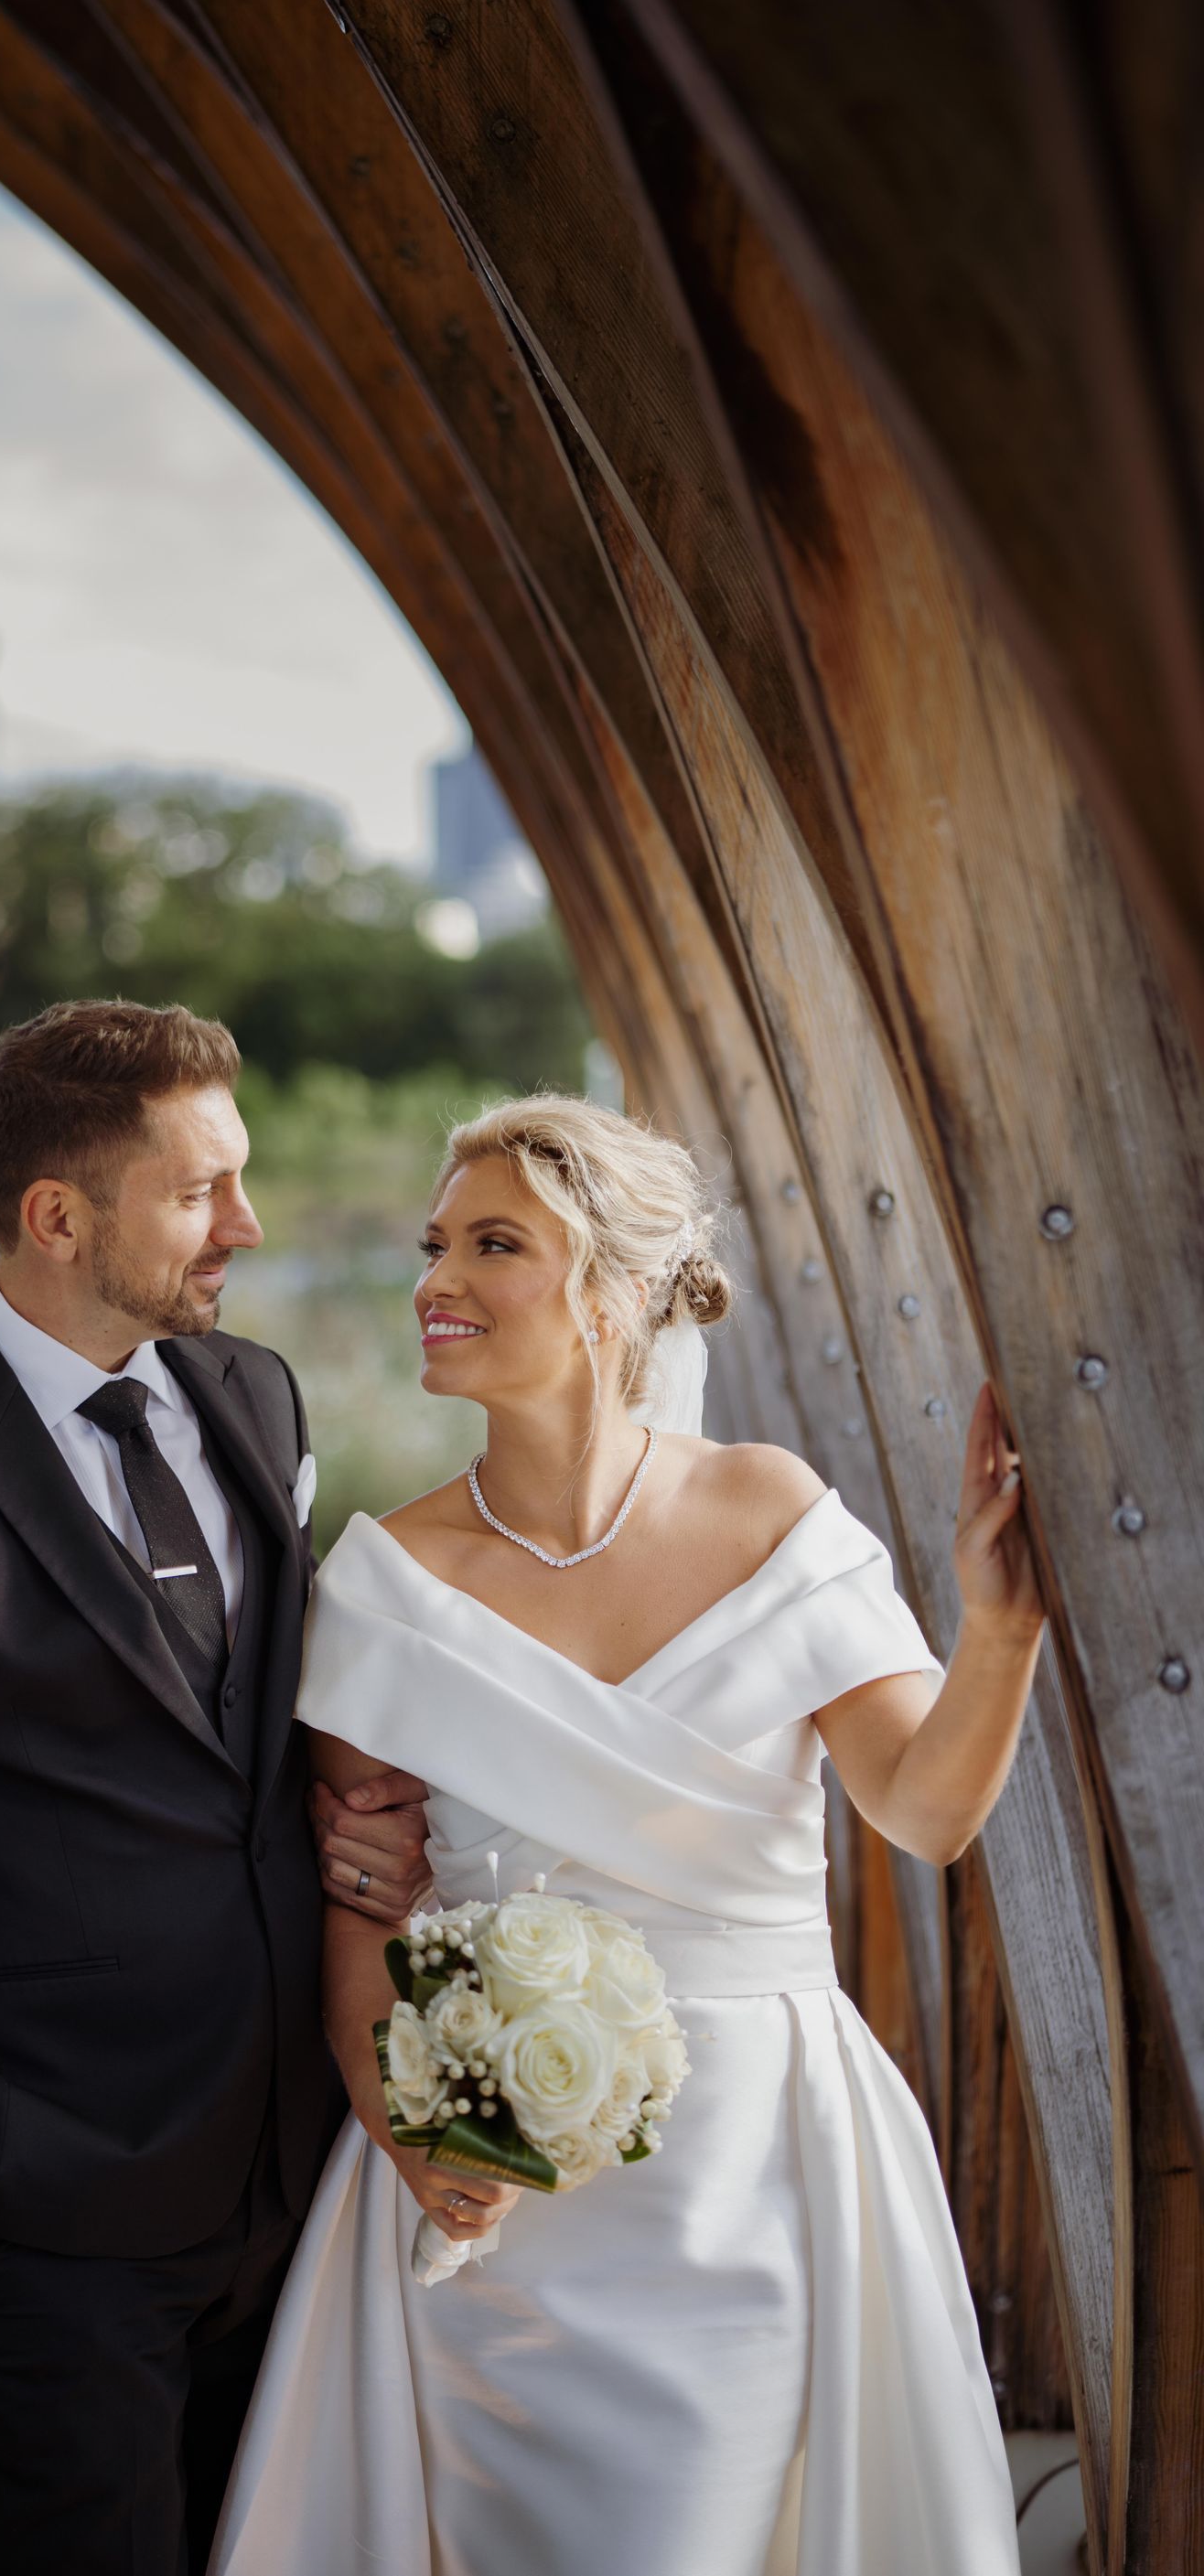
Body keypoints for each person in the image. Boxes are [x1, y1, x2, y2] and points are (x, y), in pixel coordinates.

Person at [214, 1094, 1038, 2576]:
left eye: (494, 1243)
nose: (435, 1279)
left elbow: (925, 1808)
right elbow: (365, 1921)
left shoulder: (770, 1510)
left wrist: (1002, 1628)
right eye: (433, 1242)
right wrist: (409, 2132)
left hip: (759, 2177)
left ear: (611, 1293)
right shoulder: (388, 1584)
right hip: (509, 2210)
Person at [0, 999, 432, 2575]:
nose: (245, 1227)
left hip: (300, 2180)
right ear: (58, 1215)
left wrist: (372, 1824)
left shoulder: (255, 1396)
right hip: (51, 2223)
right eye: (200, 1193)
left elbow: (270, 1721)